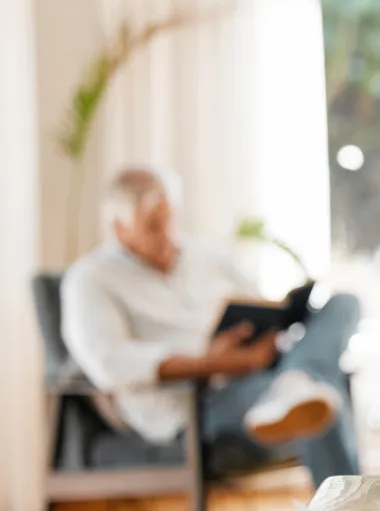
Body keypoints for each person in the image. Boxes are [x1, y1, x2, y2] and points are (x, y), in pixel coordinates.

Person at [61, 167, 360, 486]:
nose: (166, 236)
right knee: (319, 395)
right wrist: (213, 362)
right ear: (119, 229)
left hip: (256, 372)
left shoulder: (209, 256)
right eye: (151, 227)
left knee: (344, 303)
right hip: (196, 401)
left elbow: (259, 305)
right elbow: (110, 363)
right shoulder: (90, 280)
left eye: (169, 220)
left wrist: (270, 333)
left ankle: (296, 378)